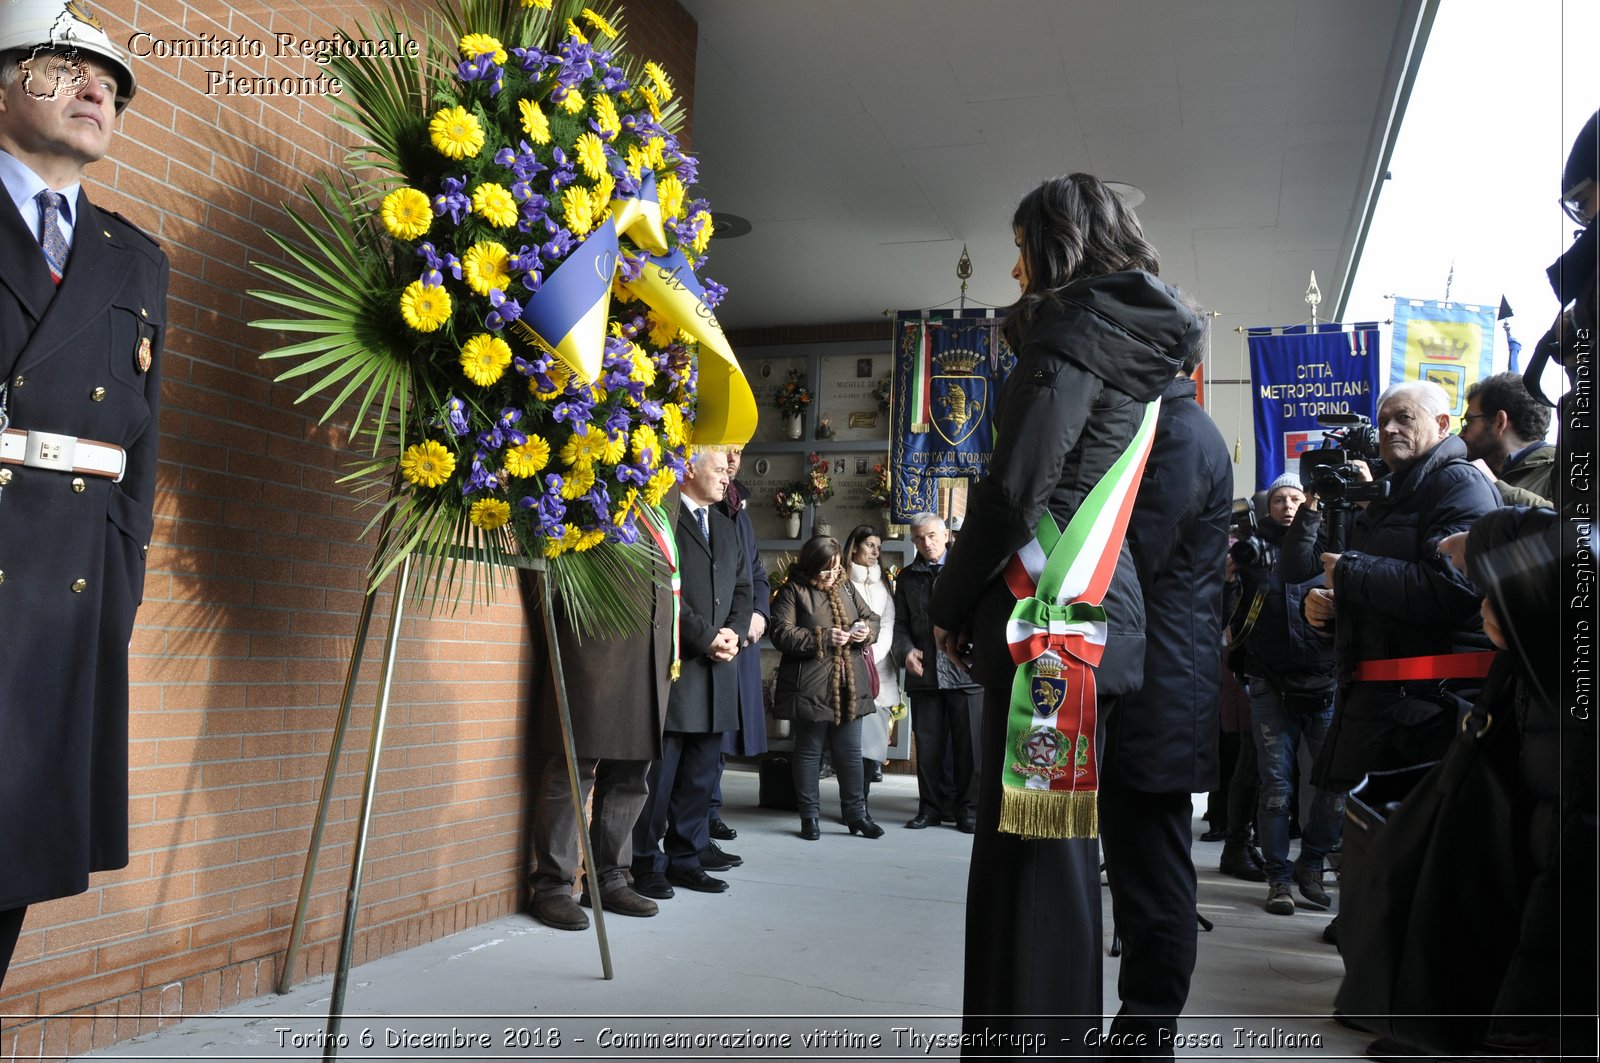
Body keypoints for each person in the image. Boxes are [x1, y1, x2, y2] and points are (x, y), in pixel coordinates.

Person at [928, 173, 1204, 1054]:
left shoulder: (1073, 340)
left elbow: (1013, 494)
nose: (1012, 265)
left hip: (1047, 625)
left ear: (1058, 243)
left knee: (1033, 864)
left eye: (1021, 244)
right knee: (1052, 856)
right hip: (1090, 622)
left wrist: (947, 598)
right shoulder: (1137, 356)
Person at [0, 3, 168, 986]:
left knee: (16, 853)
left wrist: (122, 584)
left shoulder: (135, 258)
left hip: (71, 590)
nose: (94, 87)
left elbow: (140, 452)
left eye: (107, 79)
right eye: (60, 68)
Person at [1101, 312, 1230, 1054]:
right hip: (1156, 676)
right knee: (1139, 860)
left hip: (1162, 682)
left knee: (1152, 869)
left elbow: (1132, 552)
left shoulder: (1180, 434)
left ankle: (1148, 1027)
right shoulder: (1173, 425)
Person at [1300, 380, 1500, 797]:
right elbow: (1381, 600)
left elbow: (1452, 588)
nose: (1389, 429)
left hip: (1431, 710)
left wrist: (1352, 573)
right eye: (1383, 421)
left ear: (1443, 424)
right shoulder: (1394, 491)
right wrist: (1328, 612)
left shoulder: (1459, 484)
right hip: (1385, 707)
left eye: (1404, 417)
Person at [517, 497, 676, 931]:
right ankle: (552, 885)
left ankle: (610, 876)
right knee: (575, 763)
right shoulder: (599, 470)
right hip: (593, 642)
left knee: (631, 770)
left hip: (648, 650)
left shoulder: (663, 492)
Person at [630, 449, 751, 898]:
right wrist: (706, 637)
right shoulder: (665, 519)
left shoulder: (725, 524)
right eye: (719, 469)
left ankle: (686, 856)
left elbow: (743, 586)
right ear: (689, 470)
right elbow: (664, 590)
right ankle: (645, 861)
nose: (727, 477)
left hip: (720, 666)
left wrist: (735, 633)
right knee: (661, 777)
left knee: (702, 775)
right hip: (682, 664)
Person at [1229, 474, 1344, 916]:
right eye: (1280, 498)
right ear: (1267, 505)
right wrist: (1227, 581)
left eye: (1298, 497)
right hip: (1269, 684)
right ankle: (1278, 878)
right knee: (1276, 785)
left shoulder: (1329, 546)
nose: (1289, 505)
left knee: (1332, 786)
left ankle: (1311, 864)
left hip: (1325, 681)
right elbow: (1229, 618)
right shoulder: (1252, 550)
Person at [768, 535, 882, 840]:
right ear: (811, 566)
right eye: (825, 571)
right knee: (808, 751)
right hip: (810, 686)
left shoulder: (845, 586)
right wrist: (822, 637)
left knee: (851, 753)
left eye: (836, 570)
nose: (832, 576)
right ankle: (810, 817)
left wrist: (864, 632)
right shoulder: (793, 590)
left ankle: (857, 815)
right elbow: (780, 633)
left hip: (849, 685)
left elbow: (871, 617)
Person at [892, 513, 980, 832]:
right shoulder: (906, 578)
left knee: (969, 747)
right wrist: (904, 653)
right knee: (927, 747)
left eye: (931, 536)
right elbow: (899, 624)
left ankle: (968, 809)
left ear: (945, 535)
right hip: (925, 675)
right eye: (918, 538)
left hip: (965, 673)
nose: (926, 544)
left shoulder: (968, 570)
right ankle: (929, 807)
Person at [705, 445, 769, 863]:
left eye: (738, 453)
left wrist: (758, 614)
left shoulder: (739, 514)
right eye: (725, 451)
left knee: (719, 739)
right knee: (701, 736)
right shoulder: (704, 510)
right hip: (708, 639)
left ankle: (708, 817)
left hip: (737, 638)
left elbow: (755, 575)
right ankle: (695, 823)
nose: (732, 461)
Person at [844, 524, 898, 791]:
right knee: (850, 734)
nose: (876, 551)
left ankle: (862, 793)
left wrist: (874, 654)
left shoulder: (882, 583)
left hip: (877, 664)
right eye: (870, 545)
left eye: (879, 547)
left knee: (873, 733)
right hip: (847, 663)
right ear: (854, 547)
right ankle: (851, 794)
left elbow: (888, 623)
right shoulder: (842, 579)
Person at [1458, 372, 1554, 508]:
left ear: (1499, 422)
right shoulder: (1468, 468)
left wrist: (1494, 485)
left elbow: (1569, 524)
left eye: (1468, 422)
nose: (1460, 435)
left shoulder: (1565, 471)